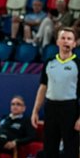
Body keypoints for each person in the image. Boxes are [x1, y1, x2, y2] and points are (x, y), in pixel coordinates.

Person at [31, 27, 79, 158]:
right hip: (51, 107)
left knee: (71, 149)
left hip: (70, 108)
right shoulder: (49, 62)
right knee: (49, 148)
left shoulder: (77, 63)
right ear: (57, 41)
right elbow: (43, 87)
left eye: (69, 39)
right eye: (63, 38)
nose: (66, 41)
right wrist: (35, 110)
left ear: (75, 43)